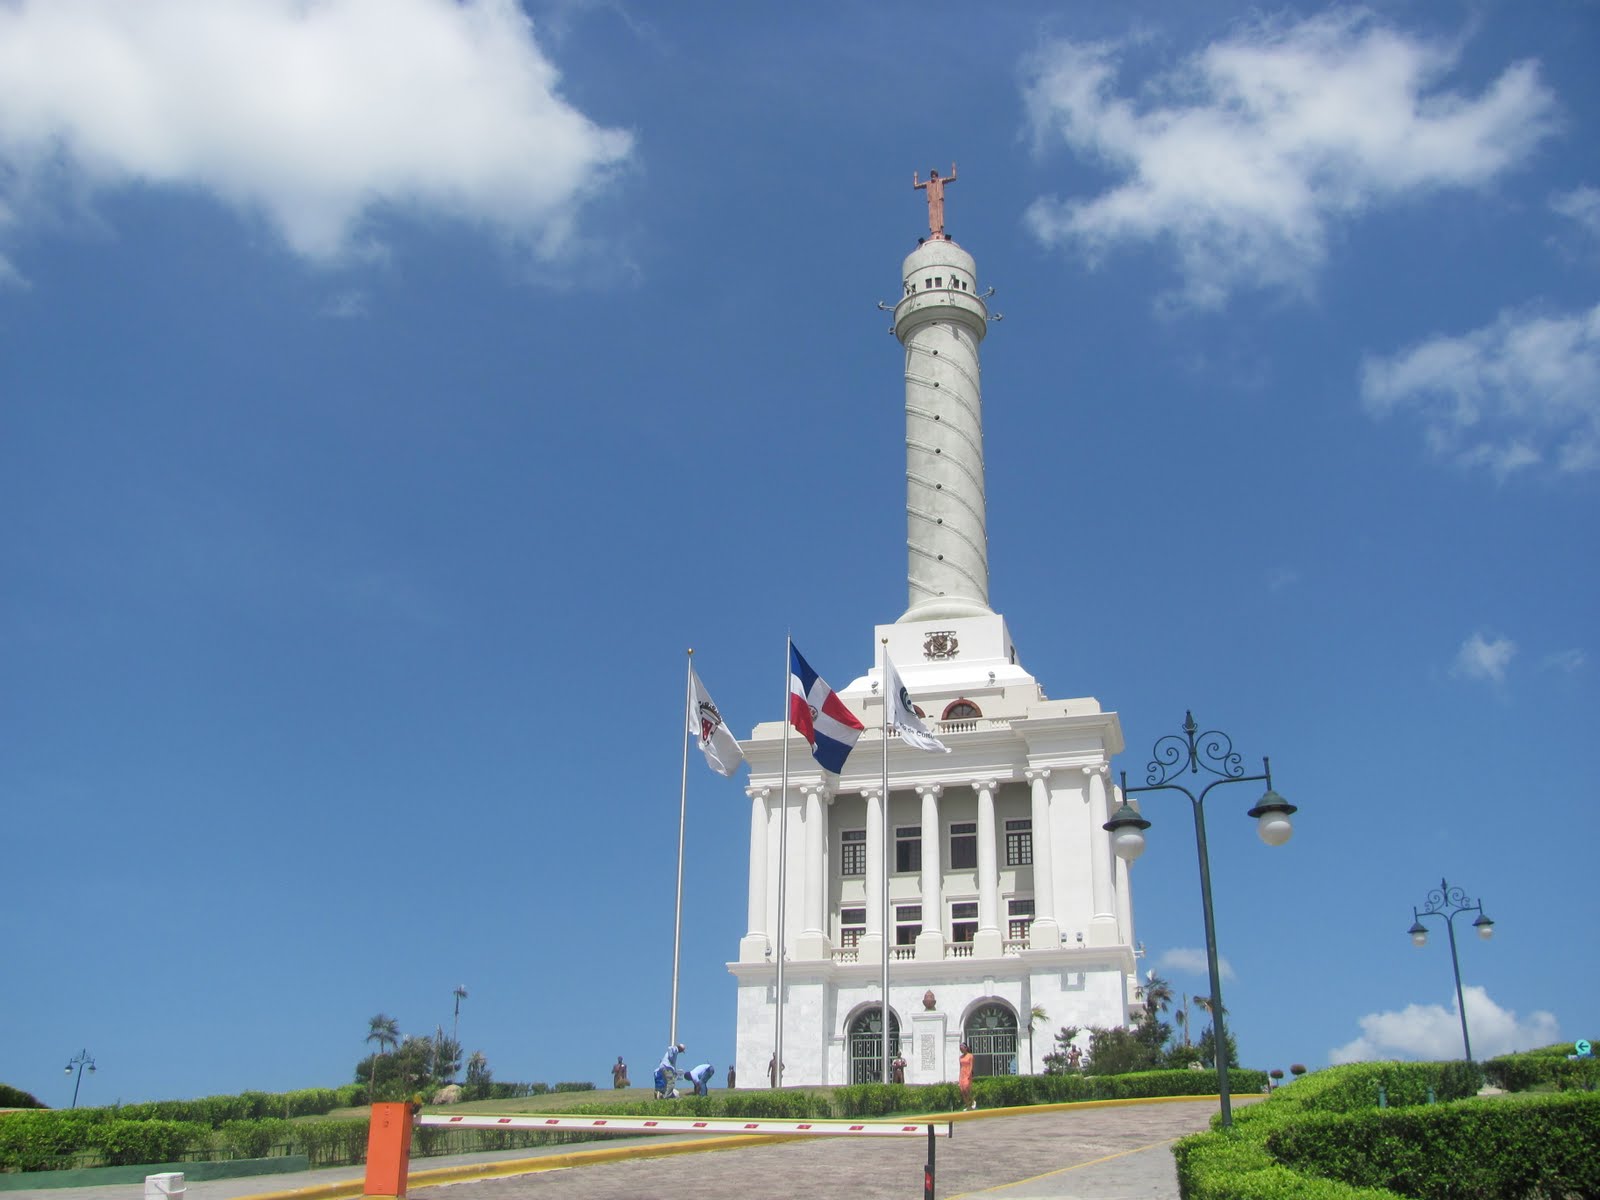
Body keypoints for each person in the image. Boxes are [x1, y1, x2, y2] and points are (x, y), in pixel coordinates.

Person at [958, 1042, 975, 1110]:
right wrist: (960, 1076)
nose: (961, 1050)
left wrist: (969, 1074)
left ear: (965, 1048)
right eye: (960, 1049)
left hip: (967, 1074)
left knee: (966, 1089)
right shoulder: (960, 1057)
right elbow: (960, 1067)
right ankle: (968, 1106)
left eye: (962, 1048)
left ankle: (973, 1101)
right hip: (962, 1075)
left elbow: (971, 1066)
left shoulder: (970, 1056)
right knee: (962, 1091)